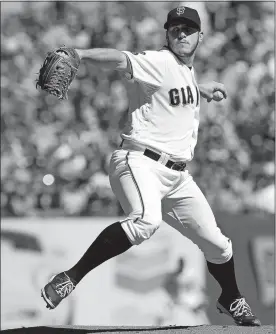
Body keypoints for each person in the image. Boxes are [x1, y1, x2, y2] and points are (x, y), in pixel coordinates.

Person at [41, 6, 261, 326]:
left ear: (201, 36)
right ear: (167, 34)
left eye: (188, 29)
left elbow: (171, 88)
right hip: (139, 161)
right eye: (175, 29)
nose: (181, 34)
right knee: (145, 221)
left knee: (219, 246)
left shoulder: (184, 70)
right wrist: (80, 53)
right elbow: (120, 58)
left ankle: (231, 297)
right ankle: (69, 277)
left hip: (177, 176)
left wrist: (200, 88)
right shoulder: (159, 60)